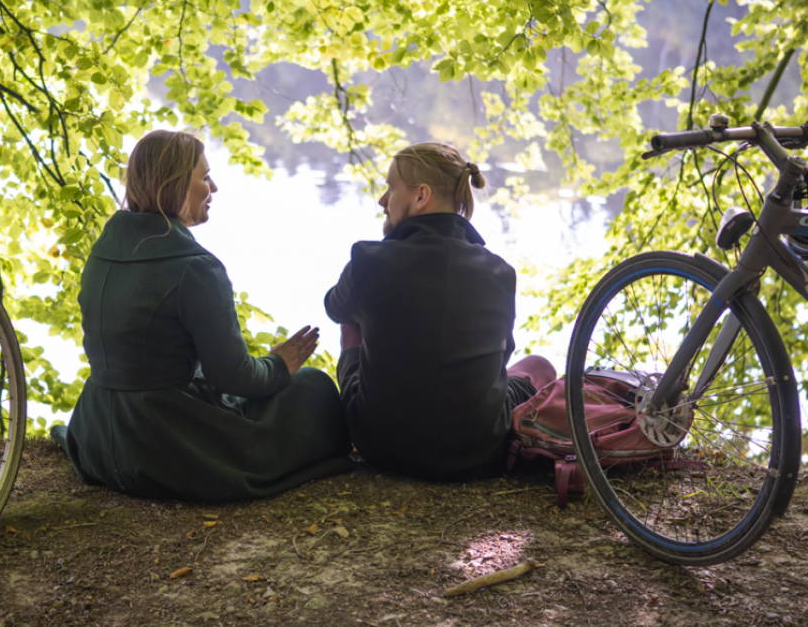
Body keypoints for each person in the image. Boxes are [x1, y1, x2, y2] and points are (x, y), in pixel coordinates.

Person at [52, 130, 354, 502]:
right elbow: (232, 376)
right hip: (160, 441)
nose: (214, 187)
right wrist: (278, 365)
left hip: (96, 437)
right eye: (205, 177)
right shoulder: (195, 267)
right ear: (175, 184)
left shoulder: (102, 249)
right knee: (315, 388)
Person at [324, 142, 557, 481]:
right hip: (480, 449)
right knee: (539, 366)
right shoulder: (500, 272)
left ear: (422, 196)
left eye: (391, 189)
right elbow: (501, 358)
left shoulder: (367, 261)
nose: (383, 200)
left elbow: (334, 309)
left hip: (380, 444)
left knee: (351, 314)